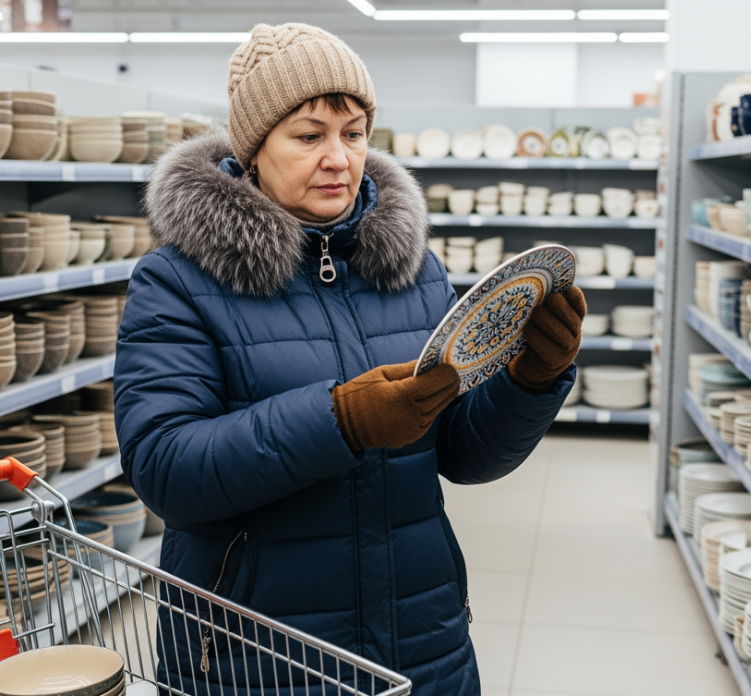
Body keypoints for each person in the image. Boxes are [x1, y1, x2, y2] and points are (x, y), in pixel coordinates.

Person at [113, 22, 585, 696]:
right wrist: (341, 422)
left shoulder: (415, 271)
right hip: (256, 660)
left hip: (420, 646)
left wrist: (530, 380)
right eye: (309, 136)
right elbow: (166, 471)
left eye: (354, 132)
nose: (339, 158)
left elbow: (462, 455)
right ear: (253, 150)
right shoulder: (178, 280)